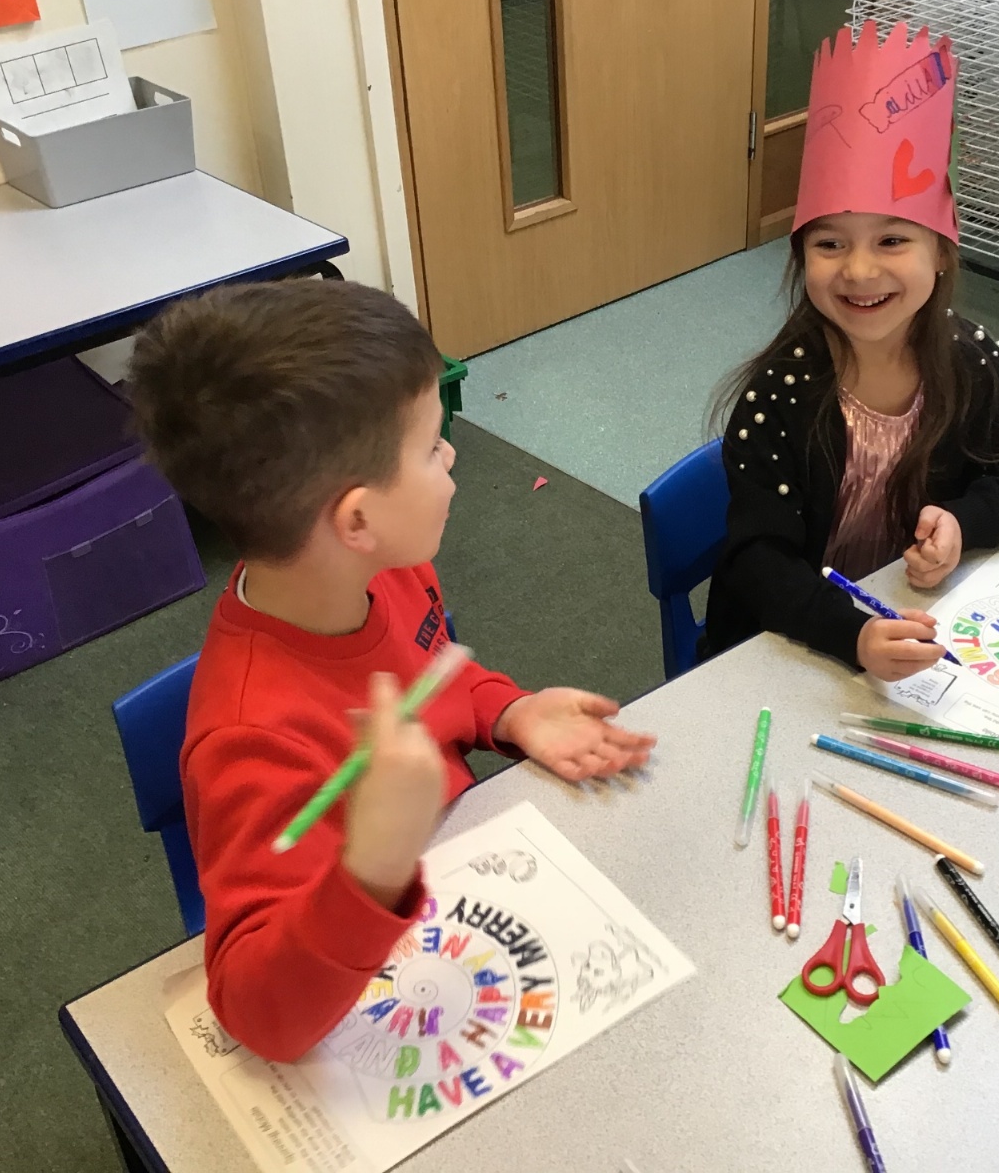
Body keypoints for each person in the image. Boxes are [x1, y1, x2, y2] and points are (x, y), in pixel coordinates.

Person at [130, 279, 654, 1062]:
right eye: (432, 446)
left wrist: (508, 711)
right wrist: (374, 866)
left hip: (459, 887)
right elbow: (257, 1015)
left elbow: (435, 674)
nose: (452, 457)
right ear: (357, 519)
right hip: (376, 975)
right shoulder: (248, 740)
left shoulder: (383, 571)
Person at [705, 21, 999, 681]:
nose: (859, 270)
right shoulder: (780, 393)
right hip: (791, 647)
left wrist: (963, 523)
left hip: (914, 624)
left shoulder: (968, 362)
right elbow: (756, 563)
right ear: (802, 257)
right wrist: (852, 634)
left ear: (941, 253)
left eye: (893, 241)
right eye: (830, 244)